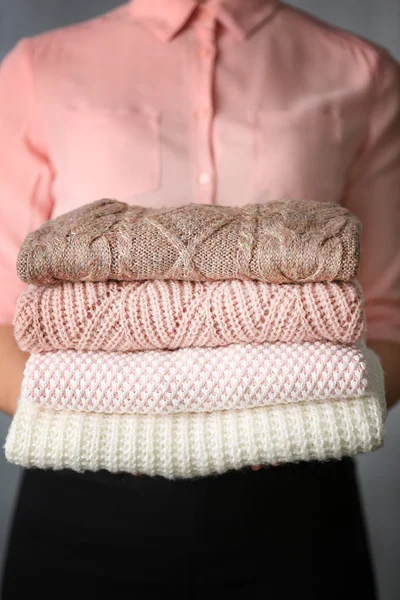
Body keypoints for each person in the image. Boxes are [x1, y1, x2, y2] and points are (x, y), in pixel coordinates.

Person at [1, 0, 400, 597]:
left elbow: (389, 314)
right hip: (83, 506)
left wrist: (288, 424)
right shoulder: (40, 68)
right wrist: (122, 433)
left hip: (296, 512)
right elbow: (5, 313)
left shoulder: (360, 71)